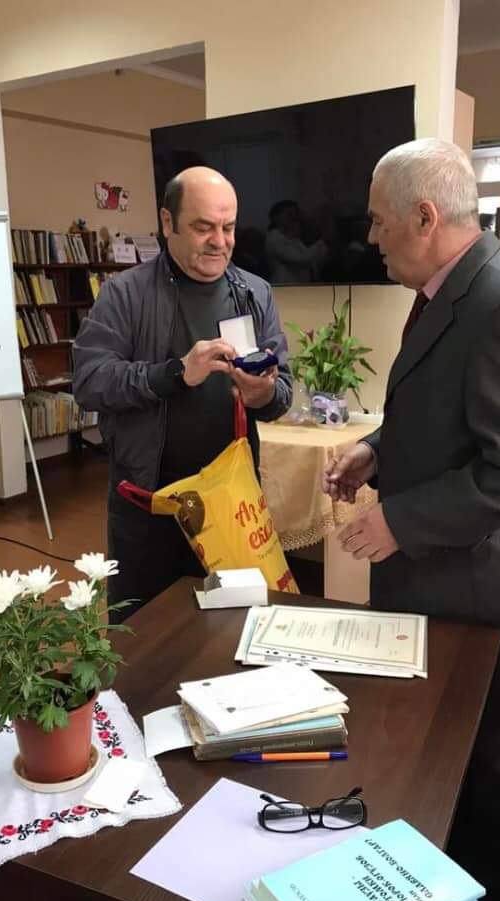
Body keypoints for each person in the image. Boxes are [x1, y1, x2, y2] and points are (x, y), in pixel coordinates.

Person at [322, 139, 500, 901]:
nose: (371, 237)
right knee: (442, 776)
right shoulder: (445, 292)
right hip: (445, 592)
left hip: (492, 604)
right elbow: (444, 415)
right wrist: (374, 450)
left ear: (424, 217)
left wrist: (399, 520)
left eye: (378, 221)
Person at [73, 167, 292, 617]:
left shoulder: (255, 293)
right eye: (203, 227)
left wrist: (262, 395)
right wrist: (175, 373)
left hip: (230, 505)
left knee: (230, 629)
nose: (220, 242)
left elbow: (282, 391)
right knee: (142, 633)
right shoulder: (124, 294)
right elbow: (91, 382)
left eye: (228, 227)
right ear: (167, 222)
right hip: (149, 506)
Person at [265, 200, 328, 283]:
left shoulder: (293, 237)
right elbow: (301, 259)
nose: (294, 218)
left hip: (301, 286)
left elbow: (314, 260)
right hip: (285, 287)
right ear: (275, 218)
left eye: (295, 214)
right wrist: (322, 241)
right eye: (289, 214)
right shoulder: (274, 238)